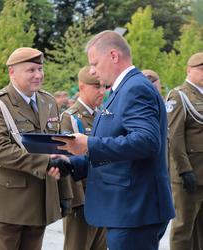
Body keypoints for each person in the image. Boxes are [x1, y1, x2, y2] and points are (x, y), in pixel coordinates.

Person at [48, 30, 175, 250]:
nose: (92, 70)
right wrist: (72, 163)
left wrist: (88, 144)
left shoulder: (134, 89)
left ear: (114, 56)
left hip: (135, 210)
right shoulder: (123, 90)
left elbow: (146, 141)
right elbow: (118, 150)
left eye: (95, 63)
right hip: (127, 208)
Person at [0, 47, 71, 250]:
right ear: (12, 72)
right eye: (31, 70)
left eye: (40, 69)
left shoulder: (48, 101)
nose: (38, 75)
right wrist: (46, 162)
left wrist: (64, 194)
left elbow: (57, 148)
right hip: (7, 206)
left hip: (39, 204)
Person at [61, 66, 107, 250]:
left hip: (104, 195)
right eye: (97, 87)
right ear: (82, 87)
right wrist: (76, 201)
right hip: (83, 199)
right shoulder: (70, 118)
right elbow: (67, 161)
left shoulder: (103, 115)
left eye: (104, 87)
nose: (102, 92)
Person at [166, 52, 203, 250]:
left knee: (200, 230)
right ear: (189, 70)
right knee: (183, 229)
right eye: (201, 68)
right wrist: (184, 170)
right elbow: (175, 137)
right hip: (188, 174)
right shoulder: (179, 95)